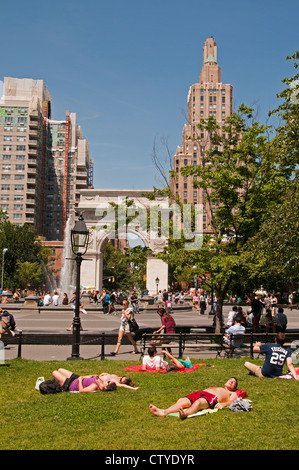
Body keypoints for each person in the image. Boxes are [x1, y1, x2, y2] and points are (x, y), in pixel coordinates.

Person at [149, 377, 244, 418]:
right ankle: (164, 412)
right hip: (201, 392)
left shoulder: (232, 393)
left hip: (212, 398)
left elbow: (232, 401)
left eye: (233, 382)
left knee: (198, 403)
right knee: (182, 401)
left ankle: (184, 414)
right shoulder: (220, 387)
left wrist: (223, 404)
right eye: (230, 380)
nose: (231, 381)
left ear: (235, 387)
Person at [51, 368, 116, 393]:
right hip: (76, 378)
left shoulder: (94, 386)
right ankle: (57, 382)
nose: (107, 380)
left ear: (105, 387)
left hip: (71, 384)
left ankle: (57, 385)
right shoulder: (100, 381)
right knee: (60, 370)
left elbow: (81, 390)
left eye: (108, 382)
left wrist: (79, 380)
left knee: (54, 372)